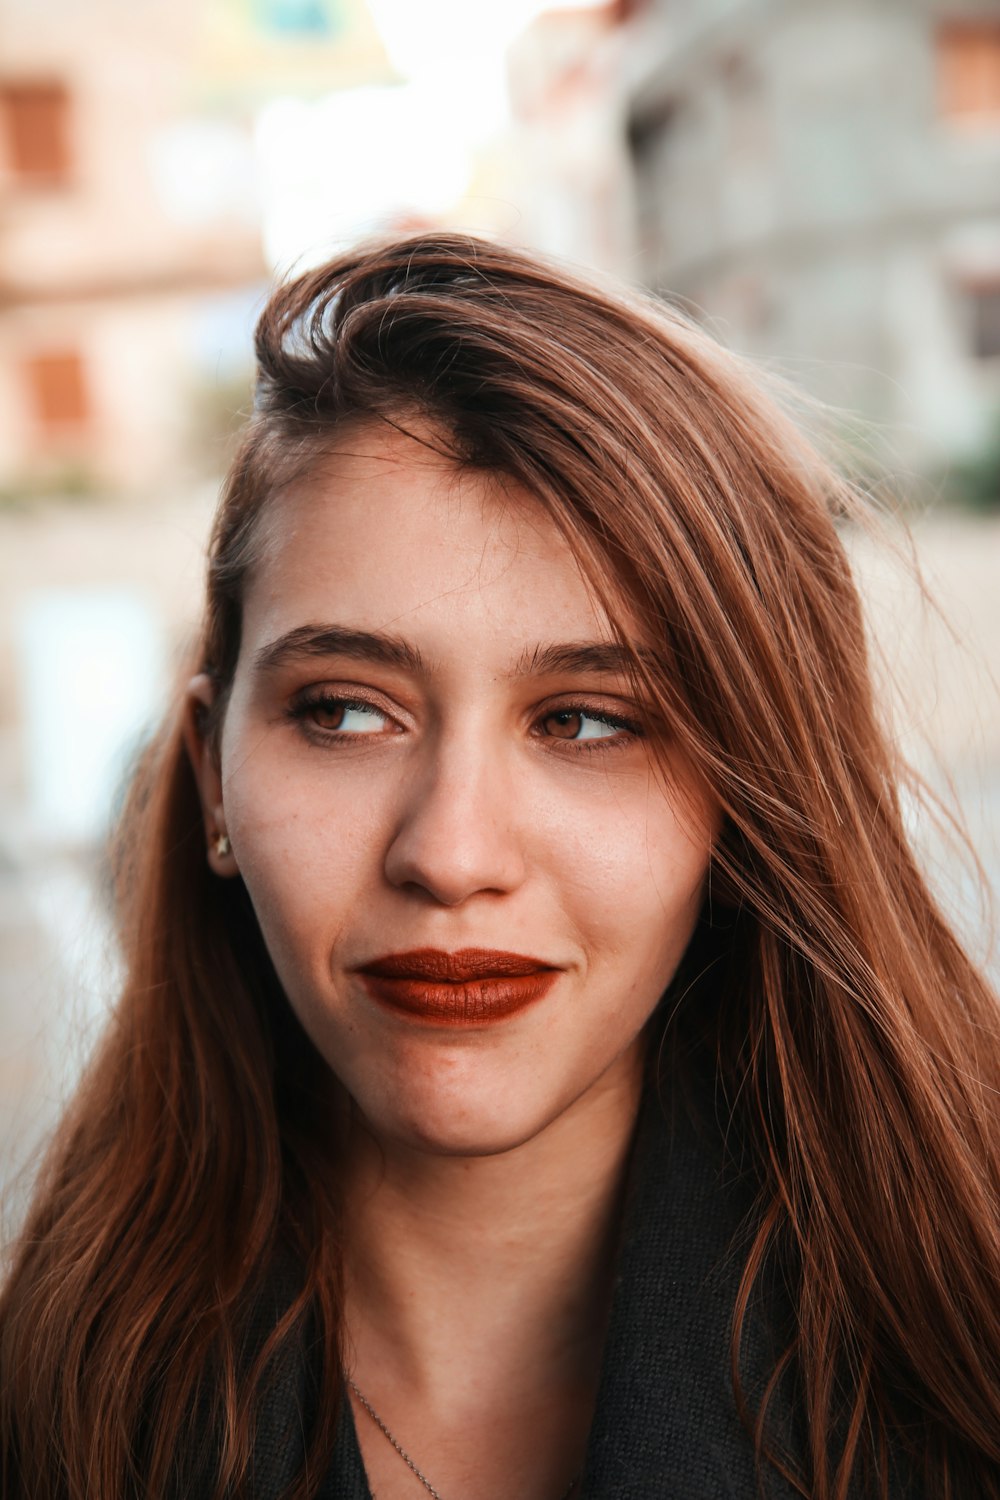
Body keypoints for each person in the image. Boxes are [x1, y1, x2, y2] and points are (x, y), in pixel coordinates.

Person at [1, 234, 998, 1500]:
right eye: (346, 711)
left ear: (747, 799)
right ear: (211, 778)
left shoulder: (962, 1368)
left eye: (586, 719)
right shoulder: (51, 1419)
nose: (451, 856)